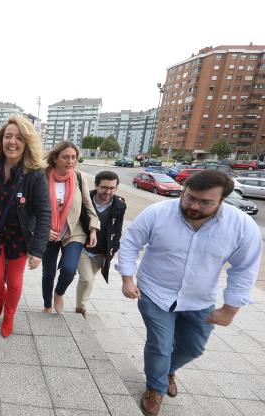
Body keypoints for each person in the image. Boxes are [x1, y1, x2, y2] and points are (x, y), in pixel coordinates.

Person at [117, 170, 262, 416]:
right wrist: (127, 279)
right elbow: (131, 242)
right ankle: (155, 388)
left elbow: (245, 267)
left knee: (194, 347)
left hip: (200, 299)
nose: (194, 206)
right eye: (190, 197)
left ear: (222, 200)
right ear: (183, 190)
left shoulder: (240, 226)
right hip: (155, 292)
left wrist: (230, 308)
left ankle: (166, 370)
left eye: (206, 202)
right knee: (160, 345)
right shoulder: (158, 213)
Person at [0, 115, 51, 337]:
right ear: (1, 140)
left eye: (19, 137)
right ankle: (0, 298)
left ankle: (9, 315)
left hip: (21, 238)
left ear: (27, 142)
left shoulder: (35, 174)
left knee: (14, 281)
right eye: (8, 136)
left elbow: (44, 212)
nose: (12, 141)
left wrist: (38, 251)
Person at [41, 142, 99, 314]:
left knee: (68, 269)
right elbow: (32, 208)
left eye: (73, 157)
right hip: (48, 232)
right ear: (55, 158)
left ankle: (59, 293)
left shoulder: (79, 177)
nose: (70, 161)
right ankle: (47, 305)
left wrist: (94, 228)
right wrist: (42, 229)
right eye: (65, 157)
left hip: (74, 231)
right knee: (48, 272)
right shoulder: (42, 176)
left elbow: (89, 206)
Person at [75, 171, 126, 317]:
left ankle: (81, 304)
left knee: (89, 280)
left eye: (112, 188)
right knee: (87, 278)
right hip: (82, 247)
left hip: (102, 252)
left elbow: (118, 230)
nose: (108, 191)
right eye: (104, 187)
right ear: (96, 185)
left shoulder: (120, 205)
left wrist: (112, 250)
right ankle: (80, 308)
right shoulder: (85, 199)